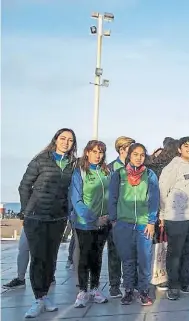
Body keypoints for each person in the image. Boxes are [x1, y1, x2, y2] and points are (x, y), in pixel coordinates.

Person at [19, 128, 77, 318]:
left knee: (51, 258)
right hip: (35, 217)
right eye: (62, 138)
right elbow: (25, 186)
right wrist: (27, 210)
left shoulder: (72, 164)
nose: (66, 142)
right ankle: (38, 298)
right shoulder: (41, 159)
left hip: (58, 219)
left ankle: (44, 296)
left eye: (70, 140)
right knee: (38, 258)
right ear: (55, 140)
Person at [108, 143, 159, 306]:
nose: (139, 158)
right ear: (129, 155)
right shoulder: (119, 174)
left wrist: (152, 221)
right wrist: (114, 220)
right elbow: (113, 198)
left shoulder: (150, 174)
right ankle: (128, 290)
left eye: (142, 155)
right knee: (127, 259)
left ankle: (143, 290)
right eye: (135, 154)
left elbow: (154, 199)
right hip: (124, 223)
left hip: (144, 224)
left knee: (144, 259)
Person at [158, 137, 189, 300]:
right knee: (175, 253)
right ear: (179, 149)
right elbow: (162, 191)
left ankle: (187, 282)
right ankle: (173, 285)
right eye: (186, 146)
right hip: (176, 217)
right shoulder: (173, 166)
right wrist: (162, 214)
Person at [70, 140, 111, 308]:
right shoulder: (79, 172)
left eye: (100, 152)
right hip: (85, 223)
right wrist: (93, 218)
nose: (97, 155)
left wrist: (109, 216)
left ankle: (94, 288)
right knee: (84, 257)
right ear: (87, 152)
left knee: (97, 256)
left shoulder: (106, 171)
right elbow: (76, 199)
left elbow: (113, 195)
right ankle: (82, 291)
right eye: (94, 151)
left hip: (104, 223)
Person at [106, 136, 135, 298]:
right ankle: (114, 284)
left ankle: (131, 282)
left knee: (133, 252)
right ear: (122, 149)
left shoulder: (138, 167)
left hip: (134, 217)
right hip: (117, 219)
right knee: (115, 252)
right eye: (130, 148)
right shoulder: (111, 168)